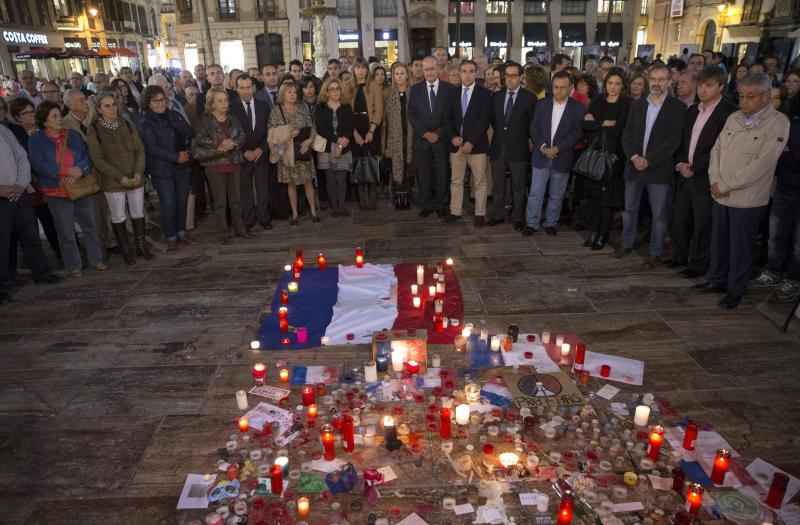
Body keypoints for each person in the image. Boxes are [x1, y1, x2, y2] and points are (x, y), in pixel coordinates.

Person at [695, 73, 790, 308]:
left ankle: (735, 289)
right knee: (720, 242)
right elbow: (716, 150)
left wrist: (725, 185)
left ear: (766, 97)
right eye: (741, 96)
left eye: (750, 97)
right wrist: (715, 181)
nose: (744, 101)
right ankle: (716, 279)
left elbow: (762, 164)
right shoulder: (734, 118)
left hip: (747, 199)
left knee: (741, 247)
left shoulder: (778, 123)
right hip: (720, 192)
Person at [668, 66, 737, 277]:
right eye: (701, 85)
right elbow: (682, 141)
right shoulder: (692, 110)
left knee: (702, 224)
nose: (703, 90)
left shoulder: (729, 113)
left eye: (709, 85)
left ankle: (698, 265)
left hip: (706, 177)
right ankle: (679, 256)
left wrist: (696, 168)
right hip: (684, 173)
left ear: (721, 87)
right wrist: (680, 163)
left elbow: (723, 149)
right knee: (680, 219)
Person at [617, 64, 686, 265]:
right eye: (654, 79)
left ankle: (655, 251)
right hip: (633, 167)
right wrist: (635, 157)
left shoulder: (677, 107)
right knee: (629, 209)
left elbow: (673, 140)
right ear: (649, 80)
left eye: (661, 79)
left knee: (659, 215)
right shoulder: (637, 105)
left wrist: (649, 160)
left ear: (669, 81)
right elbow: (626, 135)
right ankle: (626, 243)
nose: (657, 83)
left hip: (659, 169)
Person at [27, 101, 106, 277]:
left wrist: (80, 171)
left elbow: (86, 156)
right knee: (66, 231)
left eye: (59, 115)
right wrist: (65, 171)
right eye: (53, 116)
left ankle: (96, 259)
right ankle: (74, 265)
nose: (59, 119)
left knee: (90, 226)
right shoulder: (36, 140)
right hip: (57, 191)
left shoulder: (73, 135)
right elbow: (39, 165)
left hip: (79, 187)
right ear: (44, 121)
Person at [0, 123, 62, 304]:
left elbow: (21, 156)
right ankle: (3, 291)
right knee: (2, 245)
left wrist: (20, 184)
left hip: (20, 193)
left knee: (31, 236)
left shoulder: (3, 130)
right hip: (1, 197)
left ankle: (41, 274)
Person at [86, 90, 149, 265]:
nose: (112, 109)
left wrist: (138, 172)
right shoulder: (94, 130)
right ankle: (126, 250)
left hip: (135, 177)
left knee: (137, 212)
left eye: (114, 105)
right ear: (99, 109)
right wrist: (119, 177)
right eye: (107, 106)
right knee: (118, 215)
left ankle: (141, 245)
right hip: (113, 181)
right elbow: (98, 160)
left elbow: (140, 150)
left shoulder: (127, 124)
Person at [525, 70, 585, 236]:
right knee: (535, 193)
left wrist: (557, 148)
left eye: (563, 87)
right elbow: (534, 127)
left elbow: (577, 132)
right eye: (556, 87)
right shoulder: (542, 104)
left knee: (556, 195)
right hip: (541, 155)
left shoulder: (578, 108)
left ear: (570, 87)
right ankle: (531, 223)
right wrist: (543, 146)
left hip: (562, 156)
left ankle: (550, 222)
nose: (559, 91)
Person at [751, 102, 800, 301]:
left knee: (798, 242)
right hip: (785, 188)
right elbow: (777, 155)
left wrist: (791, 156)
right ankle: (774, 271)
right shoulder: (792, 125)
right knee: (776, 235)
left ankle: (794, 278)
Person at [580, 67, 632, 250]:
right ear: (605, 84)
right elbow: (584, 125)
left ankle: (603, 234)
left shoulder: (627, 104)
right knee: (594, 198)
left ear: (623, 85)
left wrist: (596, 123)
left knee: (606, 200)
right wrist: (603, 123)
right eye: (610, 83)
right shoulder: (596, 102)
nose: (613, 87)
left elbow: (619, 129)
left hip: (614, 158)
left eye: (617, 84)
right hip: (595, 156)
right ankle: (593, 231)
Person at [139, 85, 195, 252]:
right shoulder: (145, 121)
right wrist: (175, 156)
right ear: (148, 103)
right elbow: (152, 147)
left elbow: (190, 132)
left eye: (161, 99)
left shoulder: (174, 115)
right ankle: (170, 236)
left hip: (182, 165)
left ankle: (181, 232)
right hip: (162, 169)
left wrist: (186, 152)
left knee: (182, 200)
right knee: (168, 203)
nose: (159, 103)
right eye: (154, 100)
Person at [487, 61, 537, 229]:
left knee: (518, 186)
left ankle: (517, 218)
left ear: (521, 77)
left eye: (513, 76)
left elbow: (532, 124)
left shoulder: (530, 98)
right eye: (507, 75)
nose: (509, 79)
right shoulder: (496, 97)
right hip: (498, 148)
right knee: (498, 185)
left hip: (519, 149)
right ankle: (498, 215)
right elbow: (494, 121)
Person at [195, 86, 248, 242]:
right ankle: (223, 233)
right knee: (220, 202)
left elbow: (242, 136)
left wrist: (234, 143)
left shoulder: (233, 117)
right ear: (212, 103)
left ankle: (240, 229)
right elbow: (200, 139)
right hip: (215, 165)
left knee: (236, 199)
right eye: (220, 101)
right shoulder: (205, 120)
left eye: (225, 100)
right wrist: (219, 142)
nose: (224, 103)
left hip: (234, 162)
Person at [444, 60, 492, 226]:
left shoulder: (484, 93)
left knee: (479, 181)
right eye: (464, 71)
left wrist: (471, 141)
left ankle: (480, 214)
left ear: (476, 73)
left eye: (471, 71)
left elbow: (484, 120)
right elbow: (447, 119)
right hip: (456, 144)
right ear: (459, 73)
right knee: (456, 180)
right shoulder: (451, 93)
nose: (467, 74)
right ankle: (455, 211)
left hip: (477, 145)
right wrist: (453, 137)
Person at [408, 56, 456, 218]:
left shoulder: (449, 89)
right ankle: (426, 204)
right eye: (426, 69)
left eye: (432, 69)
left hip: (441, 140)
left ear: (438, 69)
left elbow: (451, 116)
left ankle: (442, 205)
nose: (429, 72)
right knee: (424, 174)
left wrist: (438, 133)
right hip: (422, 140)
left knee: (443, 173)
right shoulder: (415, 90)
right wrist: (426, 133)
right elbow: (412, 115)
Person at [267, 80, 318, 225]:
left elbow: (312, 126)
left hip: (303, 150)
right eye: (289, 92)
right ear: (283, 94)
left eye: (295, 92)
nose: (293, 94)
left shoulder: (302, 108)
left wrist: (309, 140)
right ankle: (295, 214)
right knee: (291, 185)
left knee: (308, 182)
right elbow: (271, 133)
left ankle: (313, 212)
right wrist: (288, 132)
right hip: (287, 153)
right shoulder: (276, 110)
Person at [231, 74, 272, 232]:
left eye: (249, 87)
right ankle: (248, 219)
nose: (246, 91)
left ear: (254, 88)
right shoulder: (232, 107)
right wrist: (243, 151)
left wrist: (261, 149)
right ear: (237, 89)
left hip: (261, 152)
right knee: (245, 188)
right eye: (242, 88)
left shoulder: (263, 106)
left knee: (263, 187)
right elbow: (230, 133)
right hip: (242, 154)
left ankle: (264, 217)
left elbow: (270, 131)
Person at [348, 57, 384, 210]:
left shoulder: (374, 85)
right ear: (354, 70)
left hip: (371, 128)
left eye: (363, 68)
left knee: (372, 163)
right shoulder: (348, 87)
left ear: (367, 70)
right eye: (358, 67)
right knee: (357, 163)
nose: (361, 70)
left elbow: (380, 110)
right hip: (354, 128)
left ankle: (373, 200)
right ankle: (362, 201)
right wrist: (354, 133)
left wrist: (371, 131)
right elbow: (346, 113)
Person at [315, 77, 354, 217]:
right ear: (326, 92)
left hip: (344, 146)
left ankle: (342, 207)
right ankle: (335, 208)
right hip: (327, 146)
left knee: (342, 179)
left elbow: (350, 127)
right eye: (332, 89)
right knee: (330, 179)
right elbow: (320, 129)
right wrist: (337, 140)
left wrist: (342, 144)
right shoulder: (321, 107)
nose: (336, 91)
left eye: (338, 88)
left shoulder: (346, 106)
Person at [383, 62, 414, 210]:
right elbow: (385, 119)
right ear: (393, 76)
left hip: (410, 136)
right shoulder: (389, 93)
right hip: (395, 136)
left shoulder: (414, 92)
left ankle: (407, 197)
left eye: (402, 73)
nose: (400, 76)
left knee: (408, 167)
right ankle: (398, 197)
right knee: (396, 167)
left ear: (407, 74)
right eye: (397, 74)